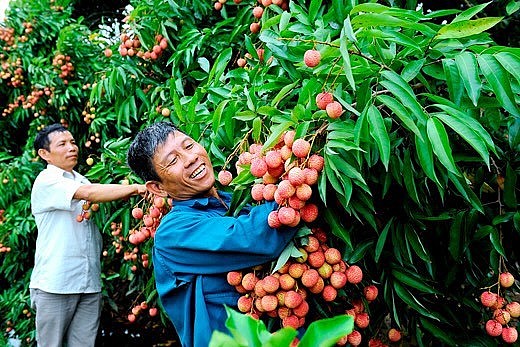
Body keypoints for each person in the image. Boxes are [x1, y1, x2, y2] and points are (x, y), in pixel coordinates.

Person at [127, 121, 298, 347]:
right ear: (158, 188)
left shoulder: (236, 199)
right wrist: (300, 173)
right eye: (173, 161)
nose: (190, 159)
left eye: (188, 146)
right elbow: (252, 237)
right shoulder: (172, 234)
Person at [30, 123, 147, 347]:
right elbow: (91, 193)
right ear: (45, 154)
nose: (72, 147)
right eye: (62, 144)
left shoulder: (81, 179)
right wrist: (136, 188)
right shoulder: (47, 181)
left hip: (88, 282)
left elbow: (96, 191)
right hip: (55, 284)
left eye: (73, 142)